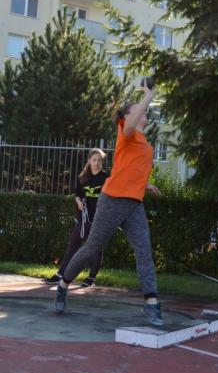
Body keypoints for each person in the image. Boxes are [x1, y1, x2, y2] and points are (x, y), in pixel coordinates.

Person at [54, 80, 164, 326]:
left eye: (144, 110)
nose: (143, 112)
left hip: (134, 204)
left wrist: (143, 185)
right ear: (127, 116)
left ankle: (151, 302)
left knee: (144, 250)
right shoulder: (126, 132)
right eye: (137, 110)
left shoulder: (145, 144)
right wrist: (149, 94)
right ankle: (63, 283)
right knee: (92, 247)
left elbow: (129, 170)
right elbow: (132, 122)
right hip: (112, 200)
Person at [43, 148, 108, 288]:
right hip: (83, 220)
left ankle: (91, 278)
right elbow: (78, 193)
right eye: (94, 160)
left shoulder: (106, 178)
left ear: (102, 162)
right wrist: (78, 201)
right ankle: (60, 275)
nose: (96, 163)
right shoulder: (82, 177)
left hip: (99, 220)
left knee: (95, 249)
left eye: (99, 160)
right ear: (89, 160)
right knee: (73, 246)